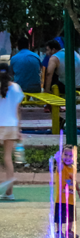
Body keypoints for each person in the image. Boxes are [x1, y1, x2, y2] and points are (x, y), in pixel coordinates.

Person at [0, 63, 24, 201]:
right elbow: (18, 110)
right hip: (12, 125)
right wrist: (19, 129)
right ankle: (9, 192)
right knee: (8, 157)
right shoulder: (16, 88)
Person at [54, 145, 80, 238]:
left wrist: (78, 190)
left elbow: (74, 181)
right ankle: (59, 232)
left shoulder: (73, 168)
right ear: (61, 155)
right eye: (65, 155)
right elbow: (59, 168)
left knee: (71, 217)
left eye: (71, 155)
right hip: (61, 199)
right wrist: (58, 161)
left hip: (71, 199)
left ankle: (69, 231)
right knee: (60, 216)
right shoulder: (62, 167)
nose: (68, 157)